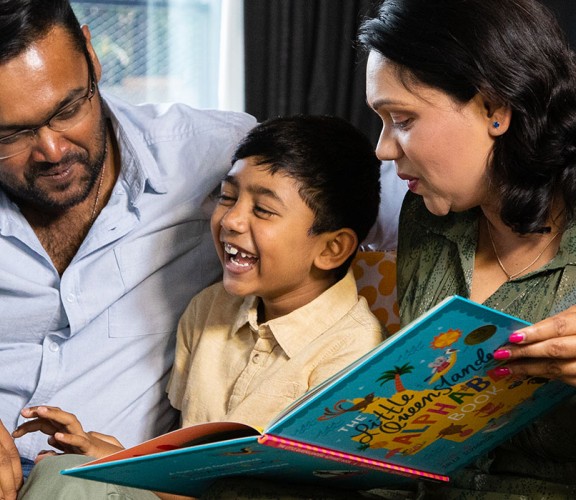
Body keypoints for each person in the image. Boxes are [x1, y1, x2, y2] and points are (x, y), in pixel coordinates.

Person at [13, 114, 384, 499]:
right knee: (66, 471)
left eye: (263, 210)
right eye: (227, 196)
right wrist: (115, 458)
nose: (231, 220)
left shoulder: (359, 358)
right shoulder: (210, 308)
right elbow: (185, 458)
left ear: (331, 248)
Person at [0, 0, 257, 497]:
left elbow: (370, 199)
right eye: (12, 134)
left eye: (69, 108)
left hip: (110, 486)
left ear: (93, 58)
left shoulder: (219, 157)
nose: (53, 150)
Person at [358, 0, 576, 497]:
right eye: (382, 120)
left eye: (403, 119)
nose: (383, 148)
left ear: (495, 110)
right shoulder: (426, 215)